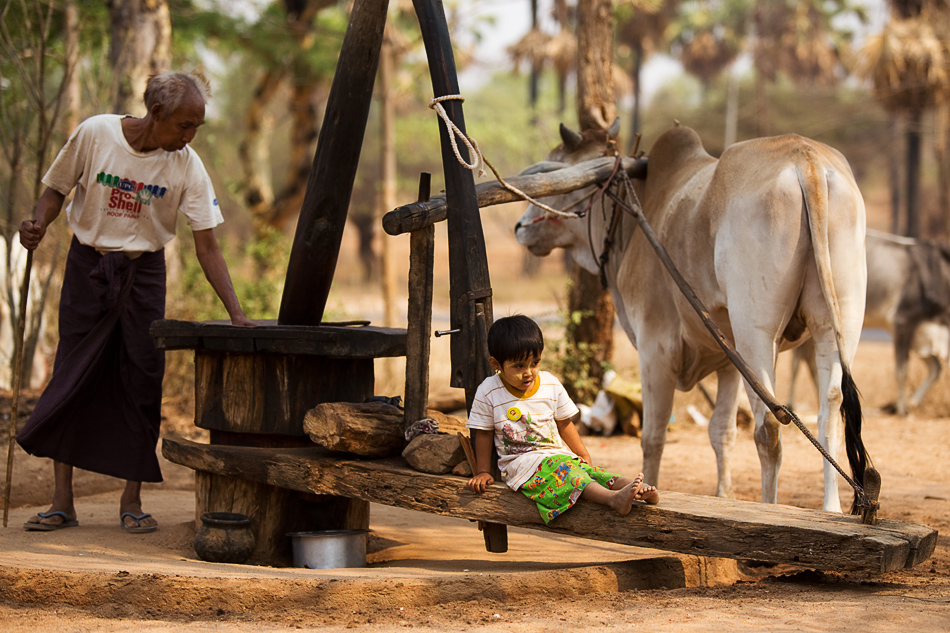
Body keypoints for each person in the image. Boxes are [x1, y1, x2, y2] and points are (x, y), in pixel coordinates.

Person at [17, 70, 255, 534]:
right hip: (88, 268)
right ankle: (61, 500)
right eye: (184, 125)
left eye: (197, 128)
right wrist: (38, 223)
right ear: (158, 113)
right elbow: (55, 191)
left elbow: (206, 244)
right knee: (72, 373)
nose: (189, 137)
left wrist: (236, 312)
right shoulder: (96, 133)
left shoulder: (187, 165)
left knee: (142, 377)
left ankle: (132, 499)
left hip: (144, 275)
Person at [466, 315, 658, 524]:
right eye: (519, 366)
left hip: (558, 457)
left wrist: (584, 456)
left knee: (593, 473)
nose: (528, 373)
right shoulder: (488, 391)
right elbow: (483, 433)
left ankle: (638, 488)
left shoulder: (550, 384)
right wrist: (483, 471)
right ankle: (613, 499)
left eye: (535, 363)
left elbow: (565, 423)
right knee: (571, 475)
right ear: (496, 364)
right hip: (523, 466)